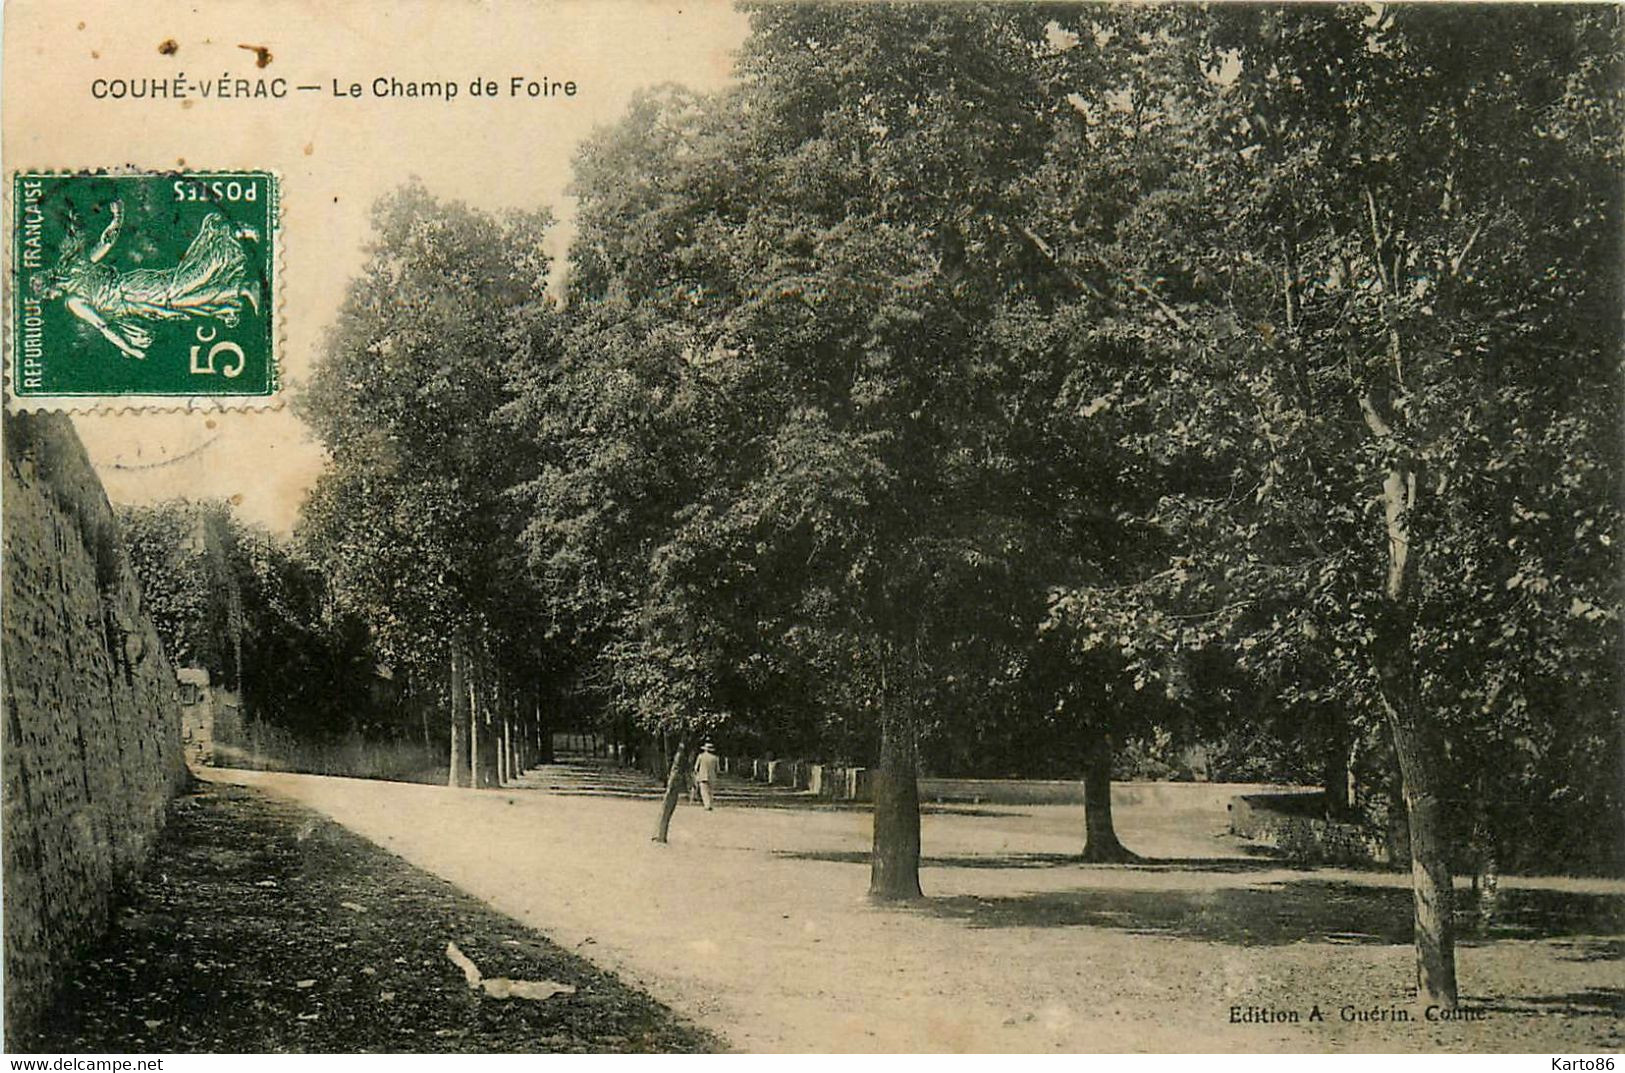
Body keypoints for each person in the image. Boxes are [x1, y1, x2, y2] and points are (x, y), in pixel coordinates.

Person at [692, 741, 719, 811]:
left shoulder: (700, 756)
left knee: (704, 792)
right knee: (710, 792)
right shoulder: (715, 758)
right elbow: (717, 769)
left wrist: (696, 774)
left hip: (702, 776)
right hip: (712, 777)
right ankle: (710, 804)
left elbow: (696, 768)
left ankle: (707, 805)